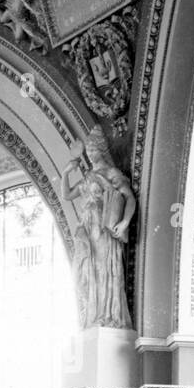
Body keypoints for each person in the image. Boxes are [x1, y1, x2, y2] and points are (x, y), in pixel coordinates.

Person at [61, 126, 136, 329]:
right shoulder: (87, 176)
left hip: (103, 228)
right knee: (87, 270)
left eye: (94, 150)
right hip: (87, 227)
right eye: (89, 150)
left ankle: (108, 314)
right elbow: (67, 195)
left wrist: (124, 223)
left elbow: (129, 197)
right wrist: (67, 172)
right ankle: (94, 315)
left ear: (102, 151)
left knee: (103, 269)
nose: (91, 154)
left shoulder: (111, 173)